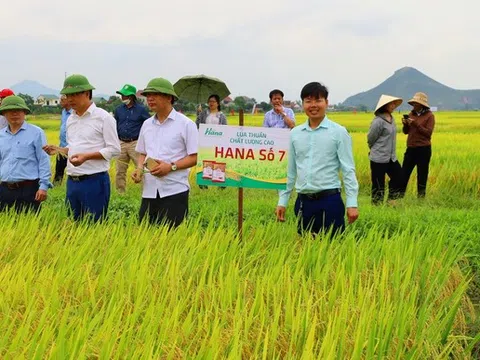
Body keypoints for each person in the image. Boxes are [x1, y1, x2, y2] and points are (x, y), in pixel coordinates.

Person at [275, 82, 359, 236]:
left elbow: (348, 169)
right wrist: (283, 201)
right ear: (303, 104)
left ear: (326, 103)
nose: (313, 105)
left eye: (318, 100)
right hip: (303, 202)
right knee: (305, 249)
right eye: (308, 101)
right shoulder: (295, 134)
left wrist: (352, 203)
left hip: (330, 200)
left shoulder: (339, 132)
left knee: (333, 249)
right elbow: (290, 171)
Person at [43, 74, 120, 222]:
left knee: (94, 226)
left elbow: (114, 149)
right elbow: (73, 147)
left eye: (75, 95)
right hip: (72, 181)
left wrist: (87, 157)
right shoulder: (71, 119)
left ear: (87, 93)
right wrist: (59, 150)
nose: (70, 99)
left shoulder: (103, 117)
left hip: (94, 181)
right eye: (68, 95)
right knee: (74, 224)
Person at [131, 77, 198, 228]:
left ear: (169, 97)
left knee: (172, 241)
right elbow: (142, 153)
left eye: (155, 94)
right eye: (148, 95)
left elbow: (195, 157)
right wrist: (139, 169)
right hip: (149, 191)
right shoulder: (147, 125)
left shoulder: (186, 124)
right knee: (145, 237)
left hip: (174, 190)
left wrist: (171, 167)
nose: (150, 99)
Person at [0, 96, 51, 213]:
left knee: (30, 225)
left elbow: (43, 160)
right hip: (4, 189)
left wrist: (43, 187)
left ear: (24, 112)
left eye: (18, 110)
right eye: (10, 110)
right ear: (4, 114)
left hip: (29, 189)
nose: (14, 113)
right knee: (6, 227)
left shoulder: (36, 133)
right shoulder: (0, 135)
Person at [114, 84, 150, 194]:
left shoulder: (141, 110)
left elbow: (149, 125)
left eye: (124, 96)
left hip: (135, 143)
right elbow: (115, 124)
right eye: (121, 96)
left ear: (131, 97)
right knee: (120, 170)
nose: (122, 98)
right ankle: (120, 193)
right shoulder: (118, 110)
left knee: (141, 169)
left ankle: (146, 193)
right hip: (121, 143)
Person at [367, 94, 403, 205]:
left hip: (391, 157)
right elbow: (370, 138)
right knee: (378, 184)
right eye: (391, 104)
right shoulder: (378, 121)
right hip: (378, 157)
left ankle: (391, 201)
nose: (393, 106)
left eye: (394, 104)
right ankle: (376, 206)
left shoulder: (392, 119)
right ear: (385, 106)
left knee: (399, 176)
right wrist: (375, 150)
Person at [401, 92, 435, 198]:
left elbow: (428, 133)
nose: (414, 105)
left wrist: (415, 123)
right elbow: (406, 132)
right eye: (413, 103)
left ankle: (421, 198)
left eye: (416, 103)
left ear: (422, 105)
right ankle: (399, 196)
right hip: (411, 148)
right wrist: (405, 125)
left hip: (424, 149)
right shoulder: (411, 114)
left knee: (422, 174)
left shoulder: (430, 116)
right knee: (404, 173)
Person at [195, 94, 228, 190]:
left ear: (218, 103)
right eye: (209, 101)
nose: (211, 103)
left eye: (213, 101)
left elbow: (225, 129)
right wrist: (198, 114)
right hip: (205, 143)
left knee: (218, 162)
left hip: (218, 143)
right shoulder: (204, 113)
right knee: (205, 162)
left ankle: (221, 183)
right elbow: (197, 125)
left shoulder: (221, 116)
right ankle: (203, 183)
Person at [53, 94, 72, 185]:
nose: (60, 102)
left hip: (72, 148)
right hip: (62, 146)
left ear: (68, 101)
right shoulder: (63, 112)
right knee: (59, 170)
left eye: (62, 100)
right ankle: (56, 186)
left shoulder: (75, 113)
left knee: (73, 171)